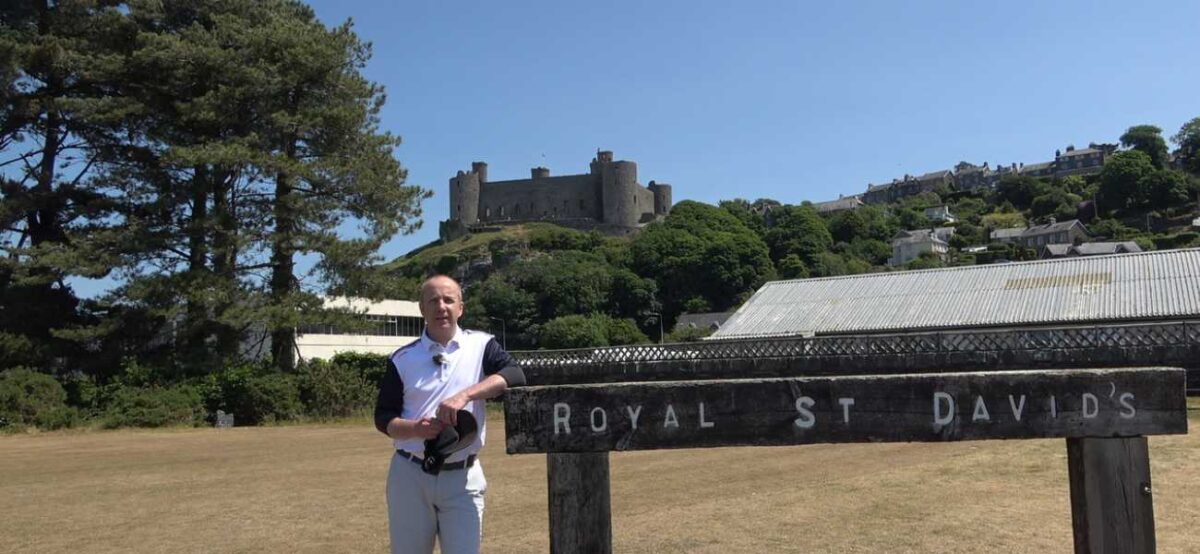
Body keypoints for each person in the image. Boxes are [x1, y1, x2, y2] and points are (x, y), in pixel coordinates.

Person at [374, 275, 525, 554]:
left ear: (460, 308)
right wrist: (415, 429)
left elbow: (514, 374)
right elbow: (384, 419)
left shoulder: (482, 345)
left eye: (448, 300)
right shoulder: (402, 359)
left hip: (463, 476)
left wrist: (466, 395)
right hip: (410, 475)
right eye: (433, 300)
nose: (441, 306)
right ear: (422, 309)